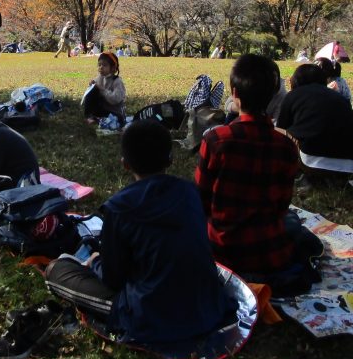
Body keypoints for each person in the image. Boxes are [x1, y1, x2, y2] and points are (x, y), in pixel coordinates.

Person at [44, 119, 235, 344]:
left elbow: (113, 280)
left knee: (57, 270)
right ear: (171, 159)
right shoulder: (190, 192)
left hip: (153, 315)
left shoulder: (119, 208)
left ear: (125, 163)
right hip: (209, 306)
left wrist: (96, 262)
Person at [194, 54, 323, 294]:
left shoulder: (215, 140)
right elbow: (281, 206)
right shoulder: (286, 146)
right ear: (274, 93)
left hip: (221, 250)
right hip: (269, 254)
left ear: (234, 93)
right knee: (292, 222)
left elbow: (201, 201)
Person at [275, 63, 353, 186]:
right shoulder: (339, 97)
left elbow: (281, 129)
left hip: (312, 162)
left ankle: (309, 173)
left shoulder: (293, 95)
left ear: (296, 80)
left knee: (275, 132)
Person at [82, 51, 126, 124]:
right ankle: (90, 116)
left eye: (104, 65)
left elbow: (115, 99)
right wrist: (91, 85)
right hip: (103, 109)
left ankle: (97, 119)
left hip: (115, 112)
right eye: (99, 65)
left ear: (112, 68)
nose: (101, 67)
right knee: (92, 90)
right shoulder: (100, 77)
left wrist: (102, 89)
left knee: (116, 119)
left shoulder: (117, 81)